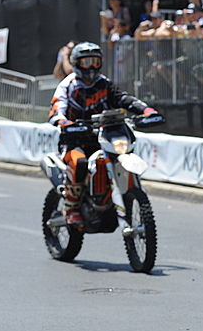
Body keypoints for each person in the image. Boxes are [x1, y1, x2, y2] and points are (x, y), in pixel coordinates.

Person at [47, 42, 158, 226]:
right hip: (74, 140)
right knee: (79, 162)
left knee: (121, 154)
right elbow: (56, 110)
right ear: (76, 63)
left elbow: (123, 98)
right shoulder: (68, 85)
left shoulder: (103, 83)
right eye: (86, 62)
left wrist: (147, 111)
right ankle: (71, 208)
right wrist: (65, 122)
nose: (91, 67)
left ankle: (115, 197)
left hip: (104, 137)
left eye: (95, 62)